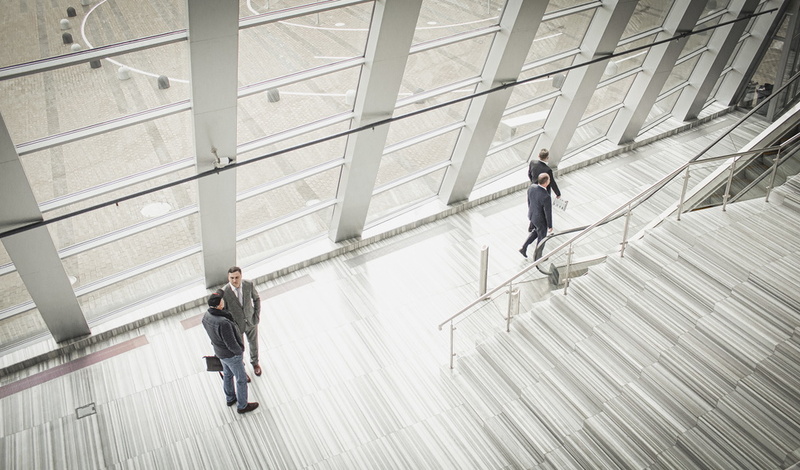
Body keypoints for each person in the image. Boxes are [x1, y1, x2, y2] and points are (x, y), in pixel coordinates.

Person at [202, 291, 259, 414]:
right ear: (219, 305)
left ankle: (230, 398)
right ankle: (242, 406)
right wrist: (239, 352)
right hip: (231, 355)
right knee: (241, 379)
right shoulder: (223, 322)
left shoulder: (206, 316)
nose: (223, 300)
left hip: (220, 353)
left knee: (227, 375)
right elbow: (231, 343)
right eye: (222, 300)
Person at [222, 267, 263, 376]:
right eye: (232, 278)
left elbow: (256, 299)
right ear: (228, 277)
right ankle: (242, 369)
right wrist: (231, 326)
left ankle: (255, 363)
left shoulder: (248, 284)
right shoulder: (225, 292)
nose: (234, 280)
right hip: (236, 326)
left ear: (241, 276)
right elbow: (224, 311)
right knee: (239, 350)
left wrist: (256, 315)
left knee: (254, 344)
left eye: (237, 277)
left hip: (251, 321)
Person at [519, 173, 553, 260]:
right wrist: (550, 226)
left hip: (532, 215)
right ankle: (538, 256)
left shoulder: (532, 187)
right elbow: (548, 212)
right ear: (546, 182)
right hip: (540, 219)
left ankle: (524, 248)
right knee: (542, 237)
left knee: (536, 232)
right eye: (549, 179)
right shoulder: (546, 196)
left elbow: (529, 201)